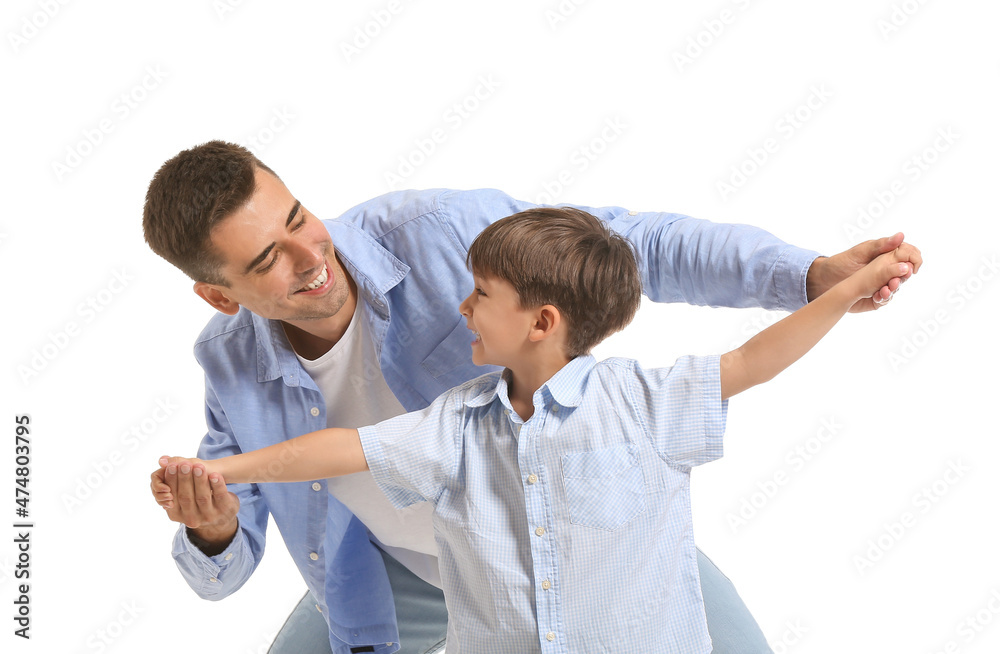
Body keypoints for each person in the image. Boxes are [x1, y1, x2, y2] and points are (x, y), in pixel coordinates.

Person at [143, 141, 920, 654]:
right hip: (397, 581)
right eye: (269, 259)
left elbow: (631, 248)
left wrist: (808, 279)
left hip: (587, 555)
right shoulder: (231, 363)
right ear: (221, 295)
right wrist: (214, 523)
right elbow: (242, 531)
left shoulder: (445, 234)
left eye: (298, 219)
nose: (313, 255)